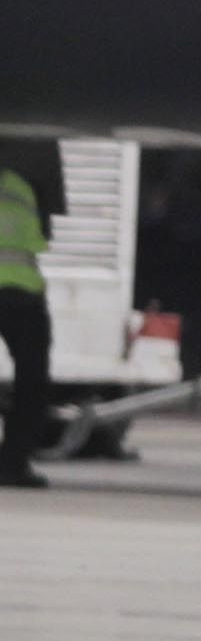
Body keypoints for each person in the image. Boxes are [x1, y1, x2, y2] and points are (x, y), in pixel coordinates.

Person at [0, 138, 66, 489]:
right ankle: (12, 465)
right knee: (31, 383)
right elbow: (39, 240)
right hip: (22, 296)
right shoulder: (22, 188)